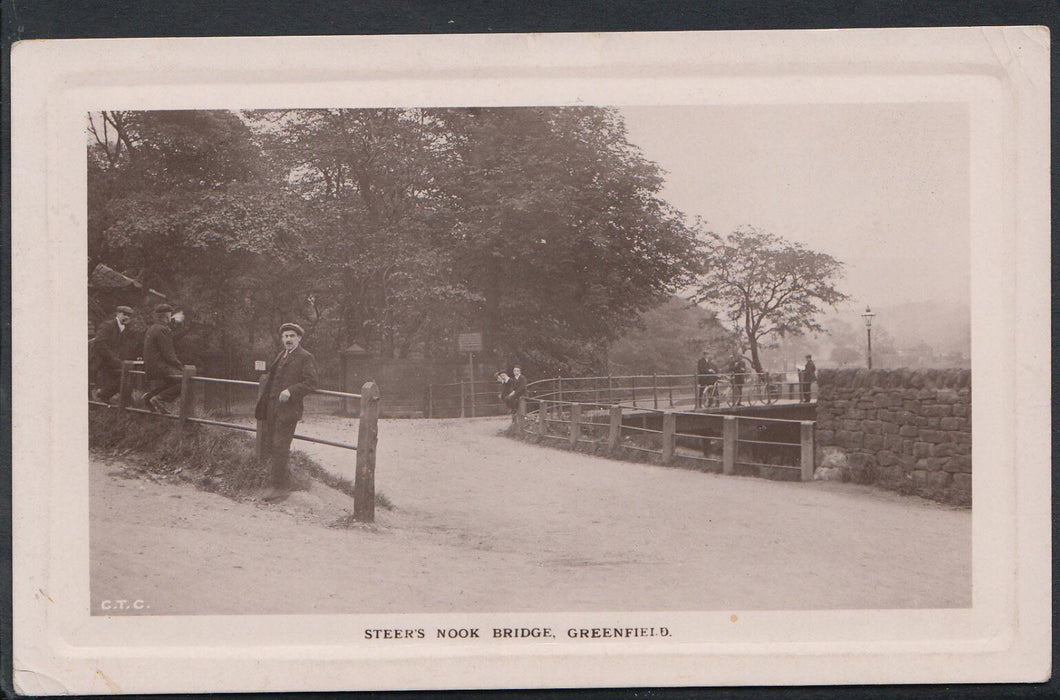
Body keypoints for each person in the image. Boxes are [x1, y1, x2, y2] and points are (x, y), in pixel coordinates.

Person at [254, 322, 318, 502]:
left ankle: (280, 488)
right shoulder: (281, 355)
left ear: (299, 338)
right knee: (271, 444)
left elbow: (311, 382)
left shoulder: (305, 357)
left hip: (289, 411)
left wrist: (290, 391)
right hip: (272, 408)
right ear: (282, 339)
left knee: (280, 446)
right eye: (286, 336)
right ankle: (274, 483)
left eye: (292, 336)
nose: (288, 339)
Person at [142, 303, 184, 413]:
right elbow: (169, 354)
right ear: (167, 316)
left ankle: (149, 397)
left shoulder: (152, 328)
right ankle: (158, 399)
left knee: (172, 383)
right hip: (160, 367)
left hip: (151, 367)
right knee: (185, 381)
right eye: (171, 315)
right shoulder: (163, 330)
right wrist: (180, 367)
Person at [89, 305, 136, 403]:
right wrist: (113, 358)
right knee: (123, 373)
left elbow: (125, 346)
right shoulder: (108, 325)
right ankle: (100, 397)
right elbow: (100, 344)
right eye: (124, 314)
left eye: (129, 315)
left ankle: (106, 396)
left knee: (127, 372)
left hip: (111, 359)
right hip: (99, 358)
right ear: (118, 314)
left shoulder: (126, 329)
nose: (127, 317)